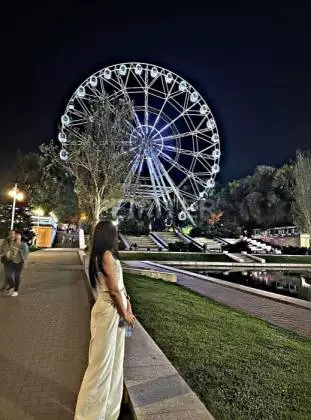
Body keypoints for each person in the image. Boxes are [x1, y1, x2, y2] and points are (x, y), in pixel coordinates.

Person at [75, 221, 136, 420]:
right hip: (108, 313)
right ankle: (90, 415)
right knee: (101, 365)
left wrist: (128, 306)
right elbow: (112, 290)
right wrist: (125, 314)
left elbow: (120, 287)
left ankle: (108, 411)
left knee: (114, 363)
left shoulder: (102, 255)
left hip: (114, 311)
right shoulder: (106, 256)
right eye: (114, 233)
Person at [6, 231, 29, 297]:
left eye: (19, 235)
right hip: (10, 261)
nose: (17, 236)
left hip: (19, 262)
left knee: (16, 276)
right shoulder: (12, 243)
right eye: (16, 235)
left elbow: (26, 254)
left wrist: (25, 262)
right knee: (8, 275)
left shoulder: (23, 244)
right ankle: (12, 287)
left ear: (21, 236)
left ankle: (16, 291)